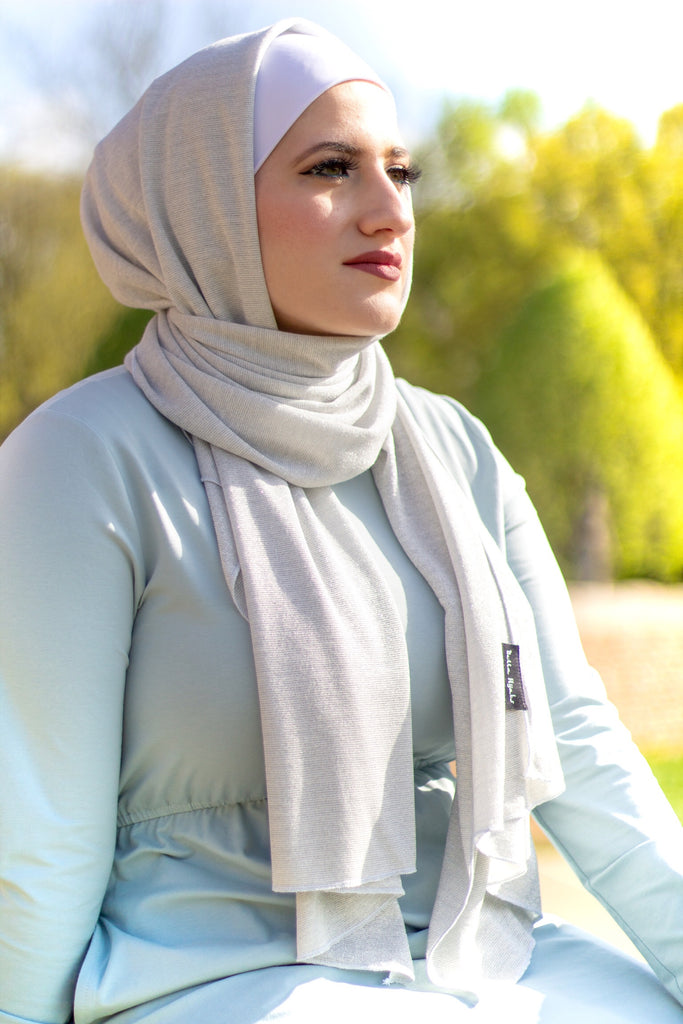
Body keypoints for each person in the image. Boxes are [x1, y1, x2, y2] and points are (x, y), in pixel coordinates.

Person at [0, 18, 682, 1024]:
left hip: (469, 952)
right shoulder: (82, 457)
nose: (388, 211)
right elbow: (40, 826)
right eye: (331, 168)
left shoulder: (451, 448)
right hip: (202, 974)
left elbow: (574, 742)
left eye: (399, 172)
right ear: (207, 204)